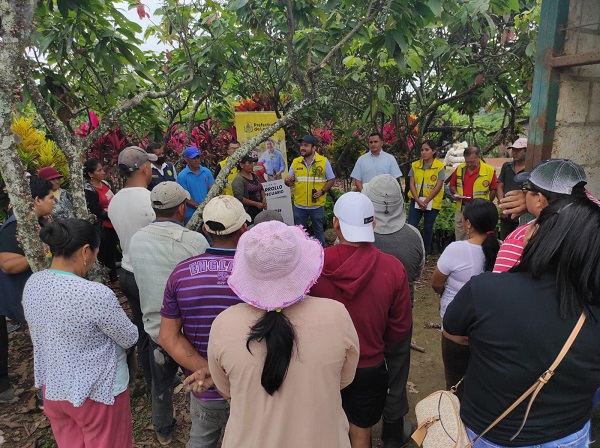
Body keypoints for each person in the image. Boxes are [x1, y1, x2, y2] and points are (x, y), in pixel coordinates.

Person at [443, 196, 600, 447]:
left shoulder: (484, 291)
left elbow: (453, 341)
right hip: (567, 436)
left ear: (536, 235)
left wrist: (456, 390)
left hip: (488, 432)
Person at [193, 221, 360, 448]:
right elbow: (344, 379)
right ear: (302, 266)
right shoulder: (336, 315)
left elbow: (227, 389)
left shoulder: (224, 324)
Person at [23, 219, 138, 447]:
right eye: (95, 252)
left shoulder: (33, 283)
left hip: (54, 388)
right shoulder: (94, 294)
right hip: (98, 393)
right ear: (86, 250)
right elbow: (129, 337)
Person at [310, 192, 412, 448]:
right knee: (361, 432)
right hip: (369, 366)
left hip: (324, 366)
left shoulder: (313, 266)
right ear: (373, 223)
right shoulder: (393, 268)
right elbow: (399, 328)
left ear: (335, 224)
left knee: (326, 430)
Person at [158, 195, 249, 448]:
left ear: (205, 229)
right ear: (244, 228)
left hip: (202, 387)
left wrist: (208, 372)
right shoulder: (256, 273)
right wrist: (225, 377)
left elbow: (168, 336)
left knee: (201, 440)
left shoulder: (181, 272)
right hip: (248, 389)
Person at [129, 181, 209, 445]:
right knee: (202, 377)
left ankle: (162, 429)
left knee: (160, 384)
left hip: (156, 329)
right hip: (190, 330)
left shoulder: (137, 239)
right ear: (182, 209)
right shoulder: (194, 241)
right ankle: (205, 424)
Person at [361, 174, 424, 447]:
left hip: (362, 319)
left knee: (359, 369)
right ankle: (391, 434)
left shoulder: (357, 236)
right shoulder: (413, 236)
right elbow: (418, 273)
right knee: (396, 373)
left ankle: (358, 427)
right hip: (400, 318)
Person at [431, 199, 500, 397]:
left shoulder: (456, 249)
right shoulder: (502, 248)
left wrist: (442, 294)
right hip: (489, 325)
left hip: (456, 329)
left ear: (468, 224)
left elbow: (436, 282)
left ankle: (455, 421)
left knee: (454, 381)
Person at [0, 176, 54, 402]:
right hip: (24, 294)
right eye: (51, 198)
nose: (54, 201)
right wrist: (39, 253)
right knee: (44, 345)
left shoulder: (38, 222)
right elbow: (7, 264)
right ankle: (46, 394)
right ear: (36, 200)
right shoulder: (14, 227)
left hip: (39, 291)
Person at [108, 146, 157, 394]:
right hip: (148, 273)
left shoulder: (115, 199)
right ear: (145, 168)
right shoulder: (150, 199)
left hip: (126, 270)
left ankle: (149, 379)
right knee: (159, 328)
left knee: (141, 328)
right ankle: (160, 379)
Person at [493, 158, 588, 273]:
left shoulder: (520, 238)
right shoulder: (590, 225)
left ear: (539, 198)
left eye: (526, 188)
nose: (523, 194)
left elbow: (499, 286)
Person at [284, 135, 335, 246]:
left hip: (316, 206)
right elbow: (289, 180)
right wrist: (287, 181)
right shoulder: (296, 162)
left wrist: (322, 191)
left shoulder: (323, 161)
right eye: (301, 145)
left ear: (314, 148)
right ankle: (303, 255)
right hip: (299, 206)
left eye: (306, 145)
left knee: (318, 232)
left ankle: (321, 255)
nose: (302, 147)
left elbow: (331, 179)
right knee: (300, 233)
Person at [448, 146, 497, 241]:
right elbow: (452, 185)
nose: (469, 164)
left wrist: (486, 204)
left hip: (479, 210)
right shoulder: (460, 168)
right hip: (462, 208)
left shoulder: (489, 170)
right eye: (467, 162)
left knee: (478, 233)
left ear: (479, 157)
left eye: (472, 162)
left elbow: (493, 190)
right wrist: (456, 193)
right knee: (461, 234)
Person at [406, 140, 446, 254]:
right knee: (411, 226)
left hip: (432, 202)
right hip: (416, 201)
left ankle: (424, 253)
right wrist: (418, 200)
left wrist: (426, 201)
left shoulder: (440, 167)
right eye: (422, 150)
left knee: (428, 228)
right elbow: (411, 184)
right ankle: (411, 252)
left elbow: (438, 186)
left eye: (427, 150)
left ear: (433, 151)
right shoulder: (415, 165)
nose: (423, 152)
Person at [83, 159, 119, 282]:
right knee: (102, 254)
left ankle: (113, 279)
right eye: (99, 170)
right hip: (101, 227)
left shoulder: (105, 183)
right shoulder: (88, 189)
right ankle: (104, 281)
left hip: (112, 224)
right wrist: (112, 215)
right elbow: (95, 210)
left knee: (111, 253)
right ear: (90, 174)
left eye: (102, 169)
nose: (103, 172)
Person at [497, 137, 527, 239]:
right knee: (504, 239)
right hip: (506, 211)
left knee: (519, 239)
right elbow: (500, 186)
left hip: (522, 212)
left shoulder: (530, 169)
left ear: (527, 151)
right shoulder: (507, 166)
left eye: (518, 150)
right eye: (513, 150)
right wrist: (502, 205)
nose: (515, 152)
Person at [178, 146, 214, 224]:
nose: (196, 160)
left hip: (208, 212)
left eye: (198, 157)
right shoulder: (182, 176)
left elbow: (211, 189)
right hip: (191, 214)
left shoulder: (206, 172)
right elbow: (185, 197)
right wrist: (199, 207)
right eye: (193, 158)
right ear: (186, 159)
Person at [231, 150, 266, 222]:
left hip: (259, 211)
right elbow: (239, 198)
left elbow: (261, 188)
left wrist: (264, 199)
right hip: (247, 214)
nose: (252, 165)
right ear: (241, 165)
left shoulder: (254, 176)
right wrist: (256, 204)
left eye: (252, 163)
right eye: (249, 163)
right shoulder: (238, 180)